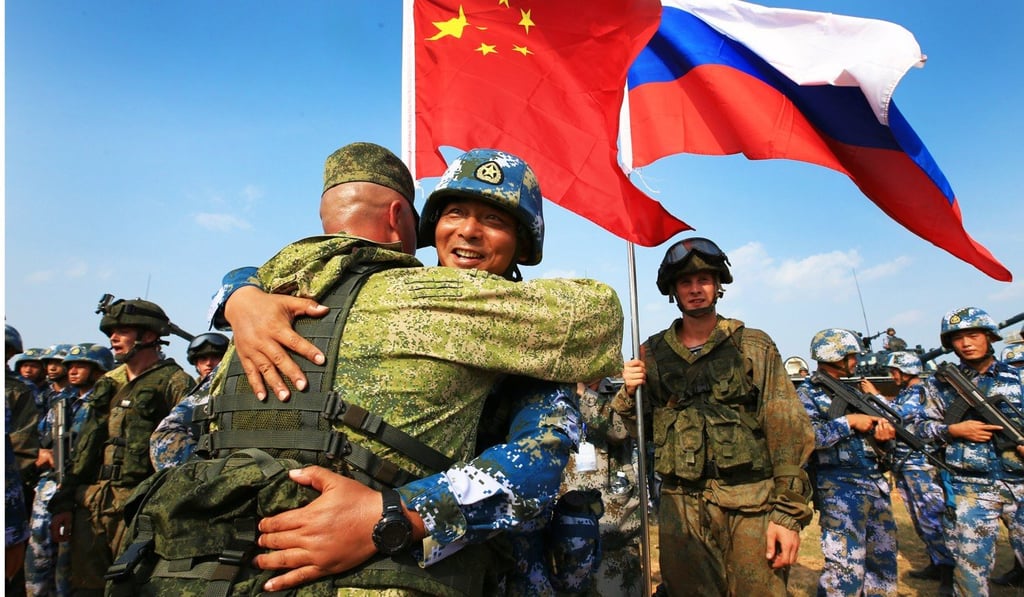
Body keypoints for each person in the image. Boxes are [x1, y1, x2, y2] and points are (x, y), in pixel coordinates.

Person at [130, 143, 622, 595]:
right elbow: (177, 435)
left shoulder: (536, 341)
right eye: (454, 213)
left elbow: (535, 467)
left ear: (521, 244)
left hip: (479, 566)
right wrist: (243, 298)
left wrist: (394, 513)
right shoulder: (339, 311)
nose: (469, 230)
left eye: (494, 220)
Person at [613, 237, 814, 596]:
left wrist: (787, 515)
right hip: (681, 507)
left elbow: (786, 429)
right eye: (685, 283)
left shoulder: (752, 345)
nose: (695, 289)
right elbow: (634, 430)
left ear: (718, 286)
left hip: (751, 504)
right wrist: (628, 393)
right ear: (673, 291)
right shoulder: (653, 353)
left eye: (703, 280)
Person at [48, 299, 193, 595]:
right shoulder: (109, 384)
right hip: (92, 505)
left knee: (132, 586)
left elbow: (186, 456)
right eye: (111, 332)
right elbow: (85, 448)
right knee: (85, 588)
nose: (113, 338)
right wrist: (64, 502)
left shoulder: (174, 382)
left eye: (123, 330)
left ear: (149, 335)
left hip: (139, 510)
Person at [918, 307, 1024, 597]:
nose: (966, 343)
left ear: (989, 337)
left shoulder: (1018, 379)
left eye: (973, 335)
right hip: (970, 489)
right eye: (958, 338)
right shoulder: (939, 385)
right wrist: (952, 431)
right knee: (969, 575)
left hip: (1020, 484)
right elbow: (918, 430)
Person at [798, 328, 898, 597]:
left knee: (883, 563)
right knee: (844, 568)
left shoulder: (852, 391)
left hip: (875, 483)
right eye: (851, 356)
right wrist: (848, 423)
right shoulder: (807, 393)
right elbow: (807, 438)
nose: (855, 362)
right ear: (835, 356)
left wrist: (884, 437)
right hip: (838, 487)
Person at [860, 351, 954, 591]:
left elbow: (897, 416)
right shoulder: (907, 393)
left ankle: (949, 571)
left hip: (920, 464)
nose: (892, 376)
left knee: (932, 515)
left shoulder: (920, 392)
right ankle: (937, 561)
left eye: (895, 371)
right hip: (906, 463)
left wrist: (874, 395)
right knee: (919, 516)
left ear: (906, 371)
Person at [26, 344, 114, 597]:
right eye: (71, 366)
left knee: (71, 564)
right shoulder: (61, 402)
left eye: (81, 366)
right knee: (38, 560)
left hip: (81, 490)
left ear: (98, 370)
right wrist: (41, 453)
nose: (73, 371)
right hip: (50, 487)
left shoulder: (105, 404)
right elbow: (39, 438)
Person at [555, 379, 643, 596]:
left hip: (613, 529)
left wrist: (583, 393)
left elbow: (622, 430)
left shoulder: (623, 390)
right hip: (565, 528)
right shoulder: (552, 394)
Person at [150, 332, 229, 469]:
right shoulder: (193, 396)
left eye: (216, 357)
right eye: (203, 358)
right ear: (196, 363)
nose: (209, 363)